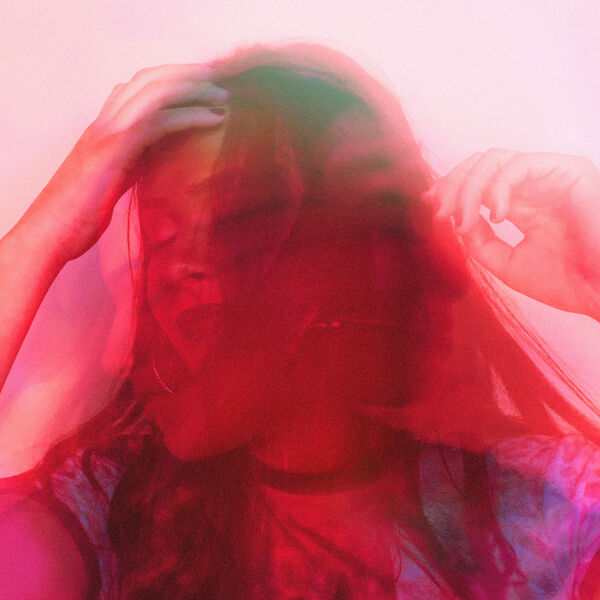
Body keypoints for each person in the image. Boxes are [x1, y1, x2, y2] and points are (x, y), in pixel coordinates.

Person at [1, 42, 600, 599]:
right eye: (160, 238)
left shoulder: (539, 507)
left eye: (222, 218)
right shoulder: (115, 509)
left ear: (338, 239)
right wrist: (45, 232)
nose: (180, 267)